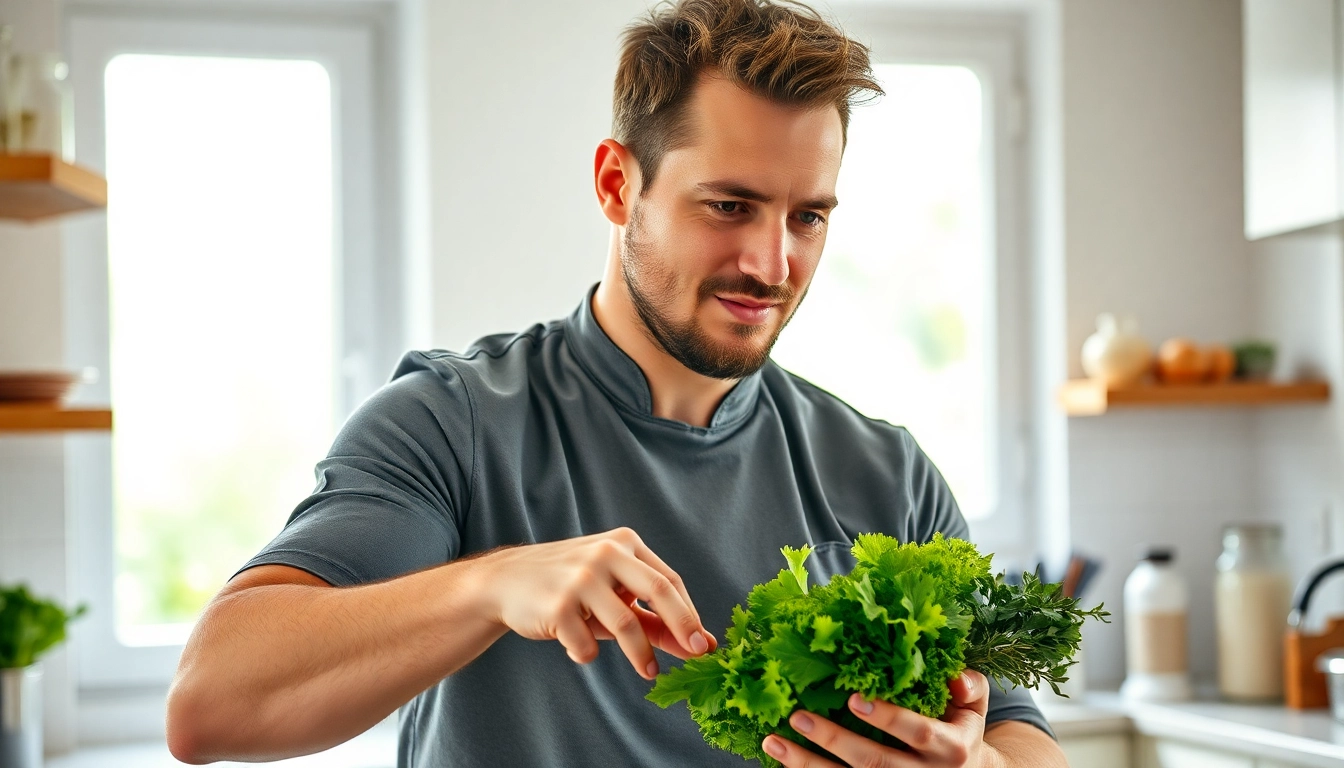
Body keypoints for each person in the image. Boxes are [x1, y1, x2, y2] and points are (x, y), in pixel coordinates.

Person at [166, 0, 1066, 765]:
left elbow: (1022, 737)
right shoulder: (452, 422)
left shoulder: (888, 476)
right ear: (615, 182)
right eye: (729, 205)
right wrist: (490, 585)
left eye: (808, 216)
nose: (771, 261)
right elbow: (210, 704)